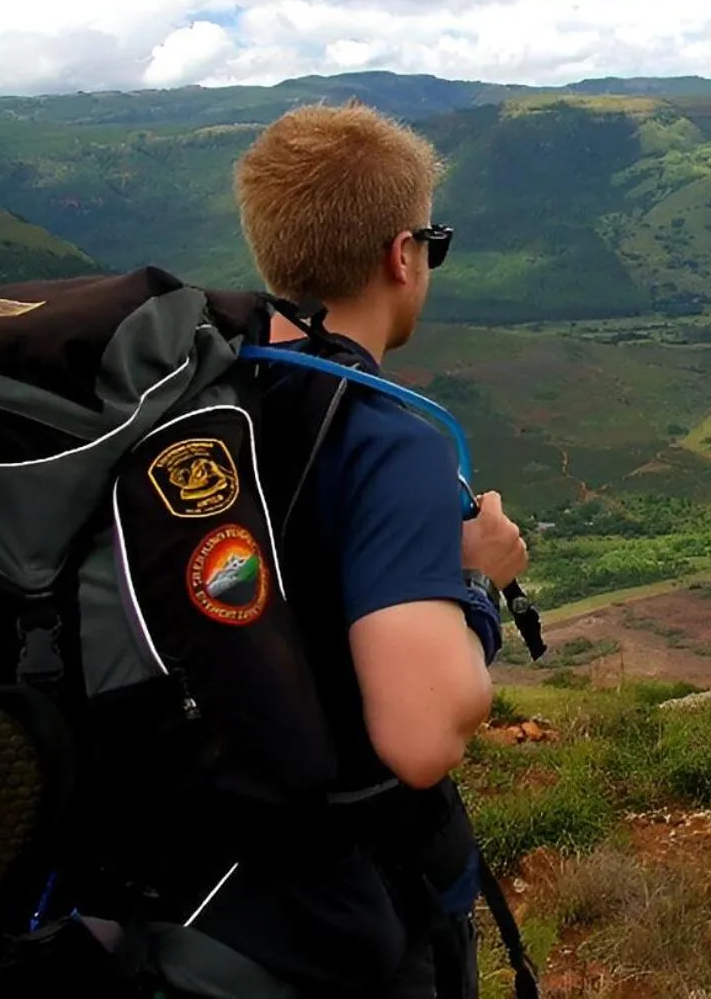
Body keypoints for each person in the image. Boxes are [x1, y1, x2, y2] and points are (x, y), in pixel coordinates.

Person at [228, 101, 530, 996]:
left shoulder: (201, 396)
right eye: (432, 242)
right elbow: (422, 736)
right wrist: (473, 575)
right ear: (402, 255)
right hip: (331, 915)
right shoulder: (390, 441)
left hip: (186, 883)